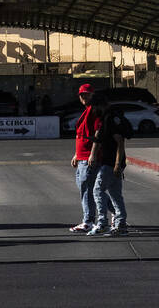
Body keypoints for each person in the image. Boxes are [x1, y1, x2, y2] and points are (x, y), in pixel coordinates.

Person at [90, 93, 131, 236]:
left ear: (100, 105)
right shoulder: (110, 117)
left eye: (95, 107)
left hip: (111, 162)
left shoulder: (110, 118)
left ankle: (102, 223)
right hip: (112, 162)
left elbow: (120, 142)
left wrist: (117, 164)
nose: (94, 110)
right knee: (115, 194)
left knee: (97, 190)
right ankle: (121, 225)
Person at [68, 83, 103, 233]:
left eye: (87, 94)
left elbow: (97, 132)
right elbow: (82, 135)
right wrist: (76, 154)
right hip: (82, 157)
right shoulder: (87, 110)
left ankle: (88, 221)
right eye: (82, 95)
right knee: (91, 189)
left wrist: (93, 154)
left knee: (88, 190)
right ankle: (115, 212)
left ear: (92, 95)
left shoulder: (94, 110)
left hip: (88, 158)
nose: (84, 97)